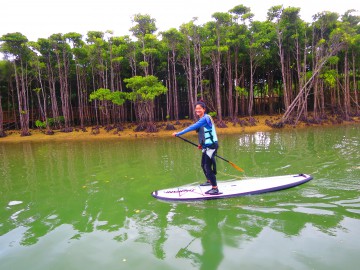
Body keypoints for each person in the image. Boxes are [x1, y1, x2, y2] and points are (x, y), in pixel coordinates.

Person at [172, 100, 220, 195]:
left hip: (211, 146)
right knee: (203, 165)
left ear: (204, 109)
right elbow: (202, 133)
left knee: (207, 166)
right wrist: (201, 144)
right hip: (206, 146)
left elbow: (192, 127)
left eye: (199, 108)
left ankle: (215, 188)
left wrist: (178, 133)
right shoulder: (202, 119)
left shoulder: (205, 118)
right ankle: (209, 181)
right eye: (196, 108)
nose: (197, 110)